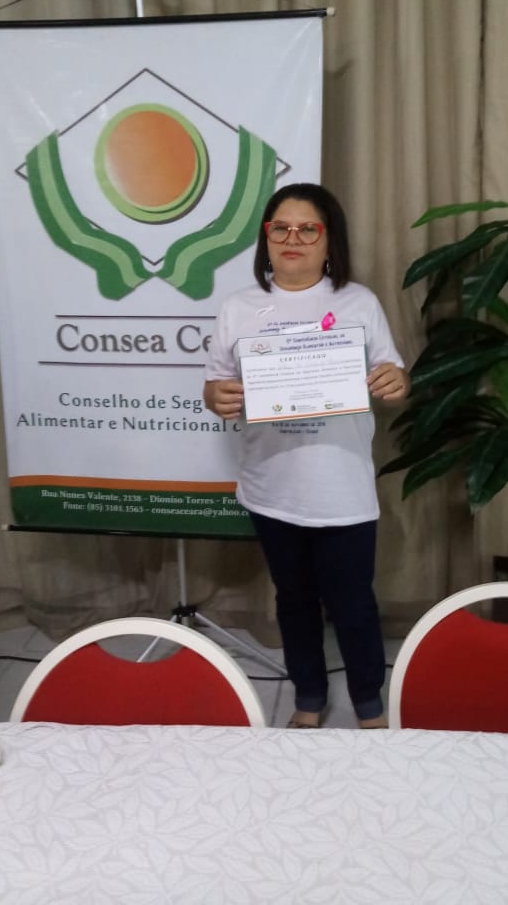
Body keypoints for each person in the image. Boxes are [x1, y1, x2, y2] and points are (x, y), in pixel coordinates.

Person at [203, 182, 409, 729]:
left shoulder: (359, 303)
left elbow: (392, 373)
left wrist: (395, 381)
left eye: (307, 228)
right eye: (281, 228)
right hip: (273, 487)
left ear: (328, 239)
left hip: (341, 488)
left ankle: (369, 704)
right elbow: (215, 385)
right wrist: (216, 396)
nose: (292, 238)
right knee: (292, 600)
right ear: (266, 238)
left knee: (353, 604)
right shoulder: (239, 308)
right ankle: (309, 698)